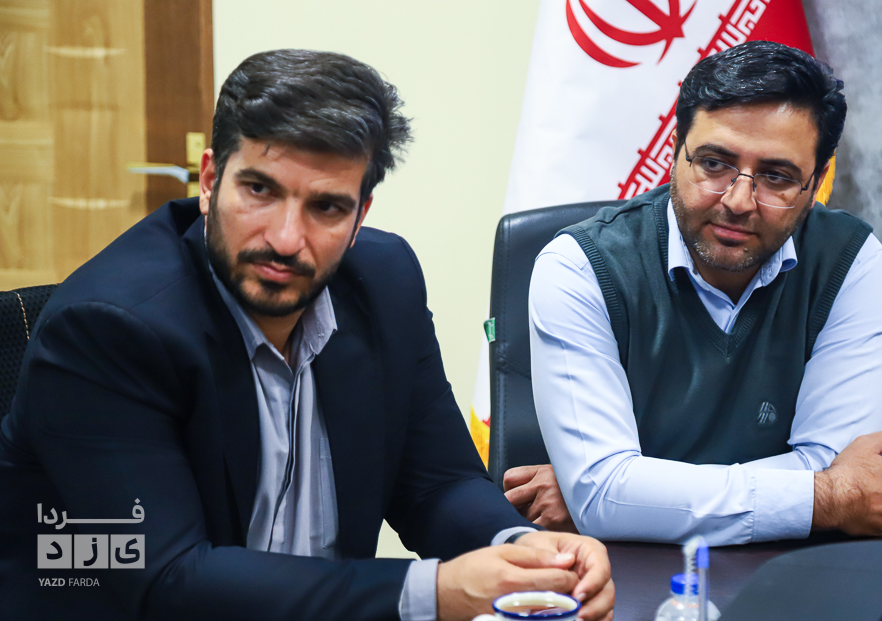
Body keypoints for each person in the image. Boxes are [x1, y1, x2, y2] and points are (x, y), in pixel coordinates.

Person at [0, 50, 614, 621]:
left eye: (326, 207)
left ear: (360, 215)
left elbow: (437, 483)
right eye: (259, 190)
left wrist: (524, 549)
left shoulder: (385, 284)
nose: (286, 239)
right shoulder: (107, 329)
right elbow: (168, 579)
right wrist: (435, 591)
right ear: (210, 181)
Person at [503, 41, 882, 545]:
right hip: (618, 574)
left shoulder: (850, 261)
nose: (738, 201)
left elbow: (838, 463)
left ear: (817, 182)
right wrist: (827, 498)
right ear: (676, 152)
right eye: (714, 164)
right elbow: (606, 494)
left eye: (776, 177)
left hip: (789, 569)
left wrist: (634, 496)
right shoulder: (580, 266)